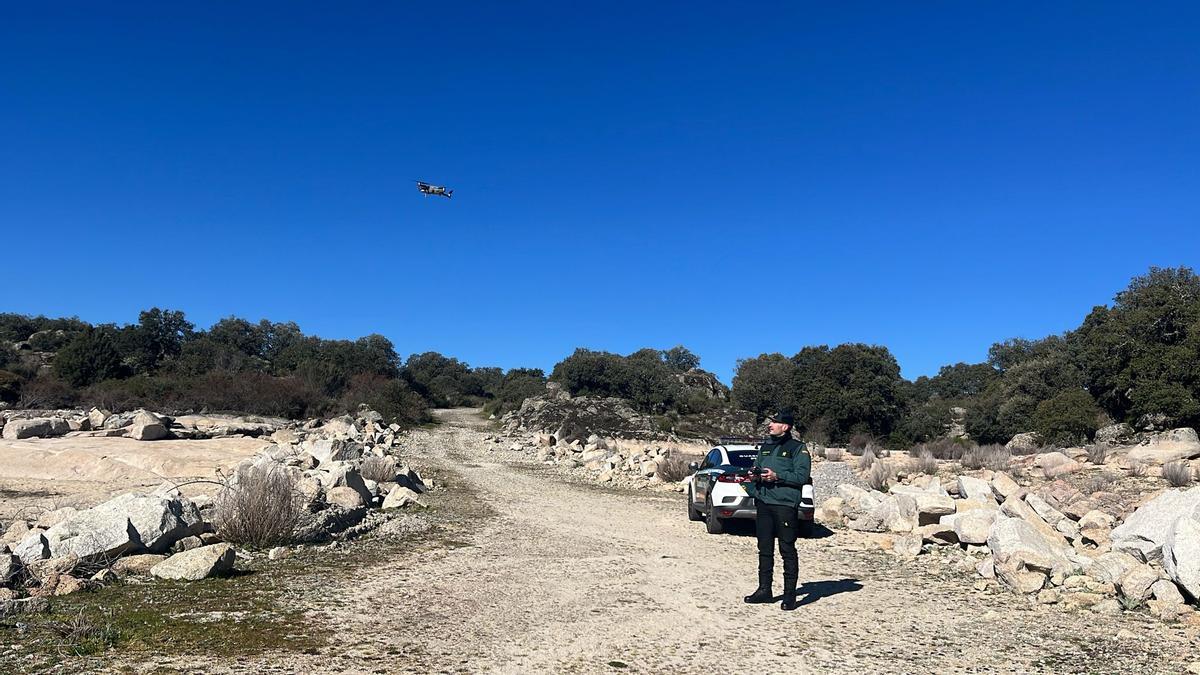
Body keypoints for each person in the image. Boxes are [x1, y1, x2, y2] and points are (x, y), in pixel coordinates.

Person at [742, 408, 811, 611]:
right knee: (764, 548)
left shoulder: (798, 448)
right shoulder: (765, 447)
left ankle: (790, 596)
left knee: (787, 549)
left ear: (785, 426)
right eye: (770, 422)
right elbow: (757, 467)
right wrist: (754, 477)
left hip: (785, 505)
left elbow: (802, 477)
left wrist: (777, 476)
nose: (770, 425)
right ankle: (764, 590)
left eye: (774, 422)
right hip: (764, 503)